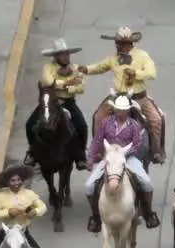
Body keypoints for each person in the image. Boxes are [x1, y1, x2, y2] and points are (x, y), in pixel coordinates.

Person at [82, 26, 166, 163]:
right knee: (98, 116)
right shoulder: (113, 58)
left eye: (119, 43)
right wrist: (86, 69)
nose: (117, 45)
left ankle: (156, 152)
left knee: (156, 119)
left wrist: (136, 73)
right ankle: (98, 151)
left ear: (128, 44)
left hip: (138, 98)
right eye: (117, 43)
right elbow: (99, 67)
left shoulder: (142, 56)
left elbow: (152, 73)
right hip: (117, 97)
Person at [84, 95, 161, 233]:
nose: (122, 113)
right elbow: (97, 141)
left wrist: (122, 152)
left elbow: (137, 144)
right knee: (89, 186)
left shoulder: (134, 125)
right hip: (109, 158)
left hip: (128, 158)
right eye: (119, 110)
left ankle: (148, 213)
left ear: (128, 111)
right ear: (115, 110)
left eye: (124, 110)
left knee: (147, 183)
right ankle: (96, 217)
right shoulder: (106, 123)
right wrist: (90, 159)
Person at [25, 38, 89, 170]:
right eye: (62, 54)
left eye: (67, 54)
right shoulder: (48, 67)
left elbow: (81, 87)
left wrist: (67, 88)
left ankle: (81, 156)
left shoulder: (76, 68)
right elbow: (48, 82)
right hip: (51, 102)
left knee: (82, 126)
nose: (66, 57)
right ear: (55, 56)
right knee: (30, 124)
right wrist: (66, 83)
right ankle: (32, 153)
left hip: (68, 102)